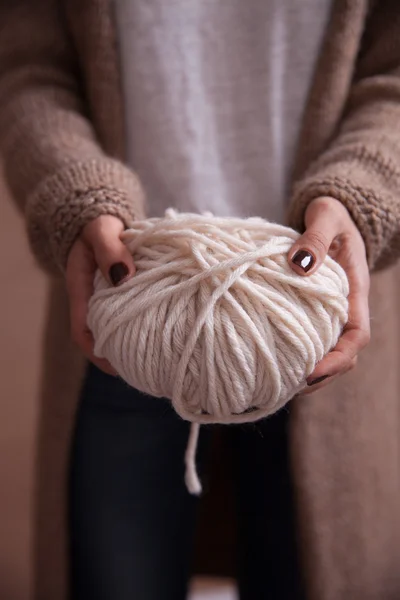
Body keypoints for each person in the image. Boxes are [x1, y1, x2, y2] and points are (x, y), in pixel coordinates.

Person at [1, 1, 400, 599]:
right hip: (131, 300)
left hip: (310, 311)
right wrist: (77, 193)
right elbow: (28, 67)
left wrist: (361, 191)